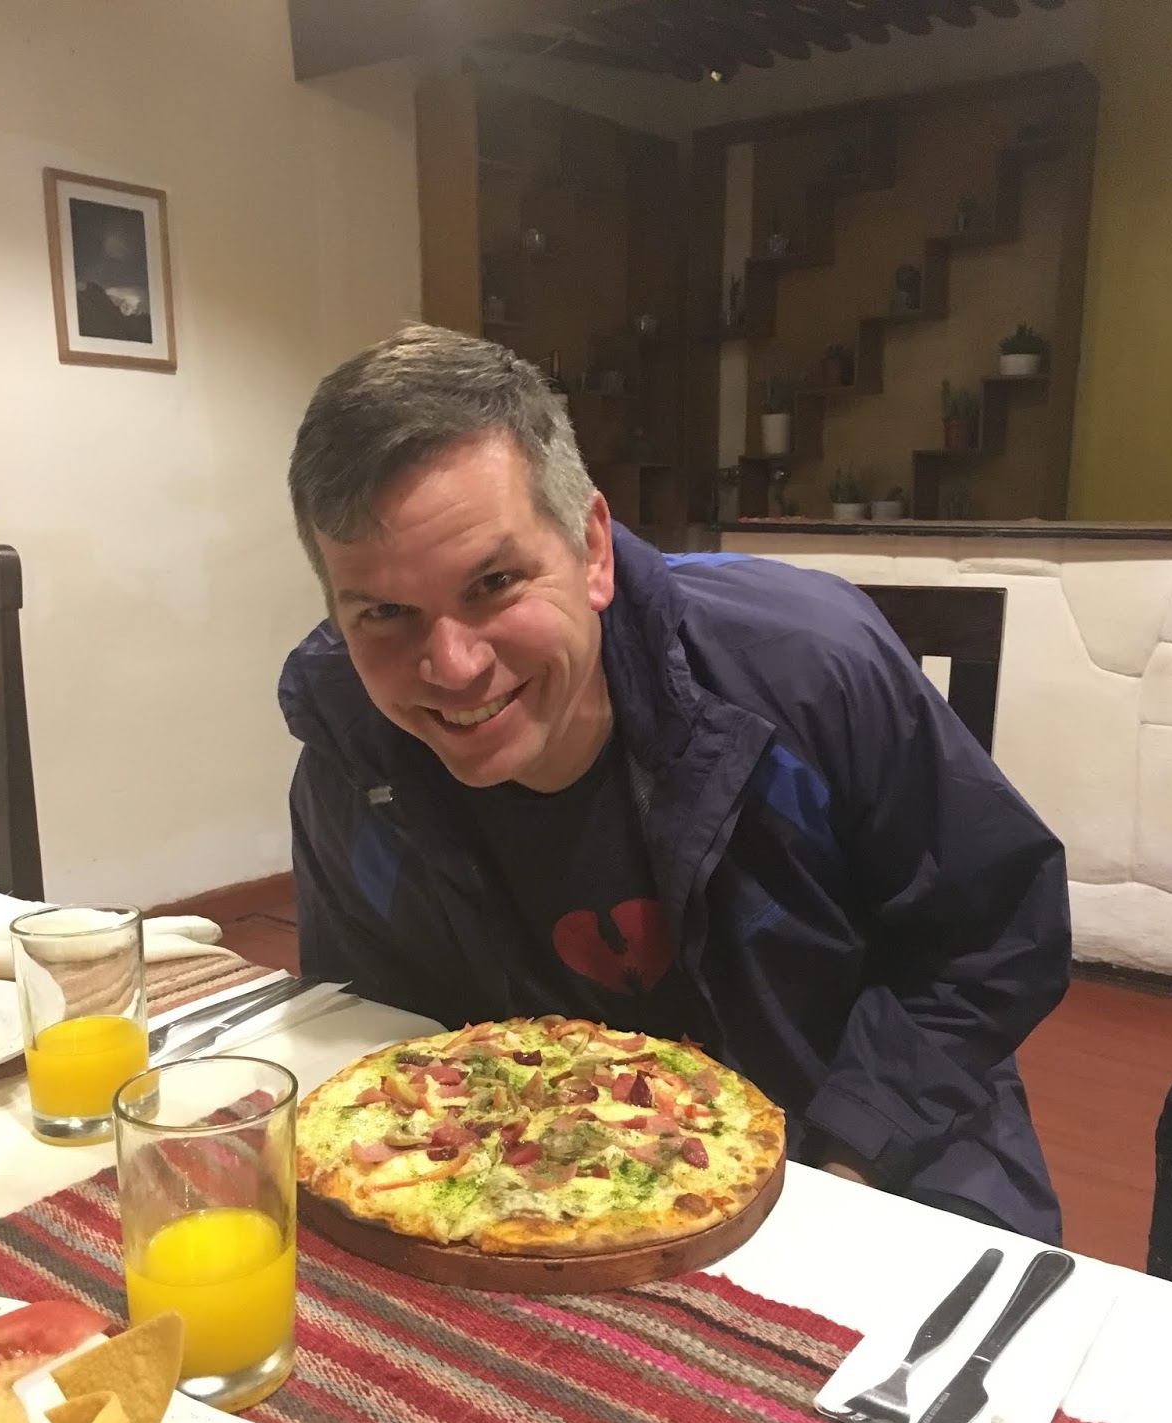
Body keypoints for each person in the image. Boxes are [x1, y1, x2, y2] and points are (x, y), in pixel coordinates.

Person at [280, 323, 1070, 1243]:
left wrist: (846, 1162)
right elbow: (378, 1035)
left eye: (494, 582)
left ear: (593, 550)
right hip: (527, 1207)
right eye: (385, 611)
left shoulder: (808, 664)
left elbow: (993, 938)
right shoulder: (351, 760)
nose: (452, 667)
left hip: (884, 1137)